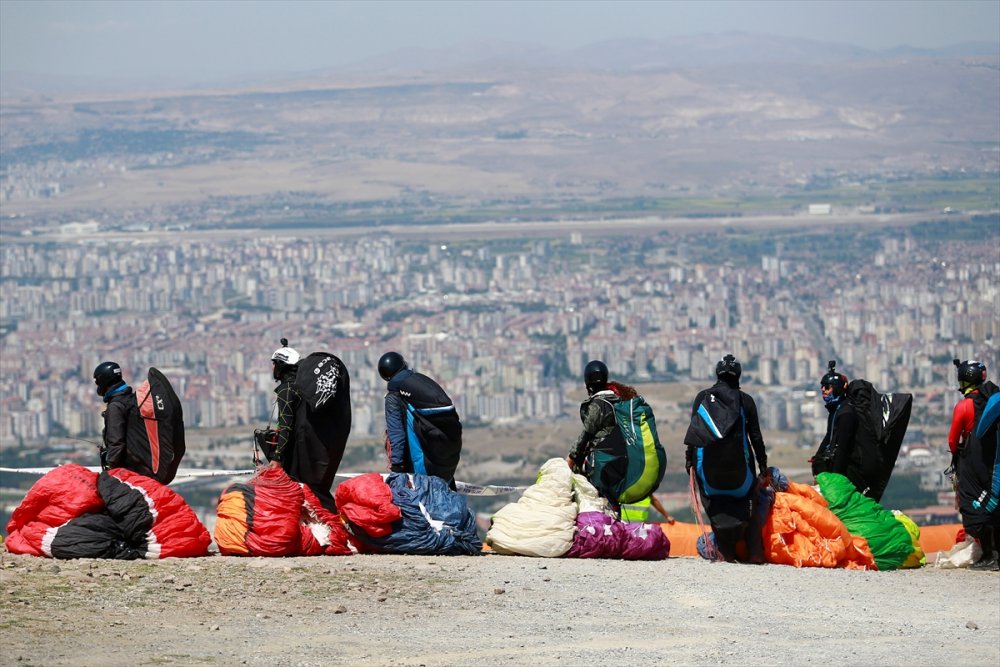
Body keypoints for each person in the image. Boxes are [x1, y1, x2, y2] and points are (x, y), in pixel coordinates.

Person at [684, 354, 768, 562]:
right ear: (738, 375)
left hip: (710, 481)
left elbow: (694, 436)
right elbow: (755, 437)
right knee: (751, 504)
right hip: (742, 480)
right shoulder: (745, 401)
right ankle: (755, 552)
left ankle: (725, 553)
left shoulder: (702, 398)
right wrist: (763, 467)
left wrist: (690, 463)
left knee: (716, 506)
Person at [379, 351, 463, 487]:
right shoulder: (421, 381)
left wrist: (397, 470)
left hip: (424, 467)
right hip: (448, 459)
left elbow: (396, 435)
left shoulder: (394, 397)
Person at [94, 360, 185, 482]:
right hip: (146, 473)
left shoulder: (116, 406)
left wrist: (109, 475)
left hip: (135, 475)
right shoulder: (129, 402)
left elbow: (116, 443)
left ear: (103, 381)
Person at [948, 359, 999, 571]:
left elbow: (953, 439)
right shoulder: (992, 402)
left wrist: (955, 458)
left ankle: (989, 555)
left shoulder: (964, 406)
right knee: (994, 507)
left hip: (972, 466)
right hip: (992, 465)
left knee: (973, 508)